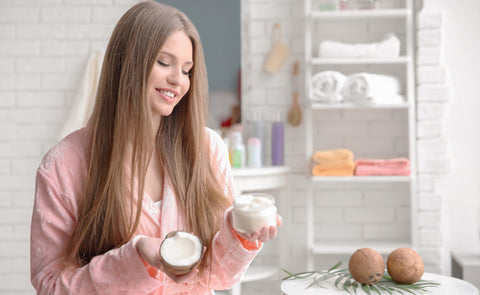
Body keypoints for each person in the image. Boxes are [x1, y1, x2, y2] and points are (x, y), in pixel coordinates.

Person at [30, 1, 281, 294]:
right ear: (128, 63)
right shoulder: (63, 164)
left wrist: (238, 234)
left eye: (187, 70)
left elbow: (217, 277)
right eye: (164, 63)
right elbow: (50, 286)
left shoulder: (208, 148)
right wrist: (136, 257)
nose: (178, 80)